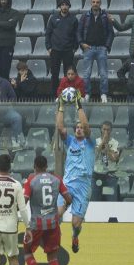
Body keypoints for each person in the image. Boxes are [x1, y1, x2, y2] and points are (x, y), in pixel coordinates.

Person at [22, 155, 71, 265]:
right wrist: (62, 209)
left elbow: (24, 201)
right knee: (52, 256)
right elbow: (68, 198)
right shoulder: (56, 179)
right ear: (46, 166)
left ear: (35, 167)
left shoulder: (31, 180)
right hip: (53, 223)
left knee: (27, 252)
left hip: (36, 224)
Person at [56, 100, 95, 253]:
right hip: (67, 184)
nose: (79, 129)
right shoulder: (70, 141)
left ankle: (74, 236)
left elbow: (86, 126)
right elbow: (60, 127)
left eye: (81, 128)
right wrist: (61, 106)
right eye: (77, 127)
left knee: (76, 223)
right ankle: (54, 241)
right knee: (58, 214)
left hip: (83, 186)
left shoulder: (90, 142)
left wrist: (78, 106)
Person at [78, 0, 114, 102]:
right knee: (86, 73)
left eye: (97, 2)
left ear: (100, 3)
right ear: (91, 3)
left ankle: (103, 94)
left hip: (101, 49)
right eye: (93, 2)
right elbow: (78, 32)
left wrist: (106, 46)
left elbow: (111, 33)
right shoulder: (85, 16)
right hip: (88, 48)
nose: (95, 4)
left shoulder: (105, 17)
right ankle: (87, 94)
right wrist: (82, 43)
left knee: (103, 73)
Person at [45, 0, 79, 92]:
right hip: (55, 50)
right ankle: (55, 95)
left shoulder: (73, 19)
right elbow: (48, 33)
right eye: (62, 5)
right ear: (60, 6)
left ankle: (68, 94)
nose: (64, 7)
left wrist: (75, 48)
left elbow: (77, 35)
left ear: (69, 6)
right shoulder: (53, 18)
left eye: (66, 5)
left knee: (68, 74)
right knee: (54, 74)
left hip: (68, 50)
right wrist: (49, 47)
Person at [93, 121, 121, 201]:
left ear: (111, 130)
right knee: (95, 200)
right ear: (101, 130)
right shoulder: (96, 141)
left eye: (108, 130)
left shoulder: (115, 143)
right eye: (104, 129)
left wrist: (107, 149)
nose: (106, 132)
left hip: (110, 175)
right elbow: (93, 157)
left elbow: (114, 158)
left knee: (111, 200)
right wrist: (102, 142)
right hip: (97, 175)